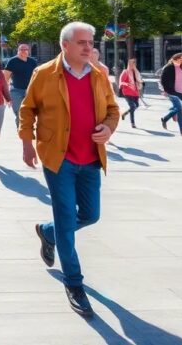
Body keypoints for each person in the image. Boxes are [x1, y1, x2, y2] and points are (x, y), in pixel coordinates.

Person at [19, 22, 118, 318]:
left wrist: (109, 128)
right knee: (66, 220)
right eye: (82, 43)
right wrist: (26, 143)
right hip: (57, 158)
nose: (89, 47)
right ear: (65, 46)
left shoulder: (99, 74)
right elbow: (27, 109)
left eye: (91, 42)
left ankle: (47, 232)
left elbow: (113, 109)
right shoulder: (45, 73)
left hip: (90, 157)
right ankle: (74, 282)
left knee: (90, 214)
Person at [3, 43, 38, 129]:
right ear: (18, 51)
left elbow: (36, 76)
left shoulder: (32, 61)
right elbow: (5, 78)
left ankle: (27, 127)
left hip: (30, 90)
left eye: (25, 49)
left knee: (30, 110)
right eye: (21, 49)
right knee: (19, 111)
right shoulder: (12, 61)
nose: (23, 51)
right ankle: (22, 129)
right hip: (16, 91)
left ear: (28, 51)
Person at [159, 52, 182, 136]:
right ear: (175, 59)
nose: (181, 60)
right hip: (172, 92)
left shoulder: (181, 67)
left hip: (181, 92)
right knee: (180, 108)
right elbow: (163, 80)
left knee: (178, 108)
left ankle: (165, 118)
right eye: (180, 58)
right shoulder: (168, 67)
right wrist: (166, 91)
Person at [118, 58, 143, 128]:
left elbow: (140, 80)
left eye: (134, 63)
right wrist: (127, 84)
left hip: (135, 92)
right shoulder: (125, 72)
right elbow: (121, 82)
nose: (133, 64)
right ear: (128, 64)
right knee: (132, 106)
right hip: (127, 92)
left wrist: (135, 71)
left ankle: (125, 113)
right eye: (131, 63)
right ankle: (133, 123)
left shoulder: (136, 72)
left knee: (136, 105)